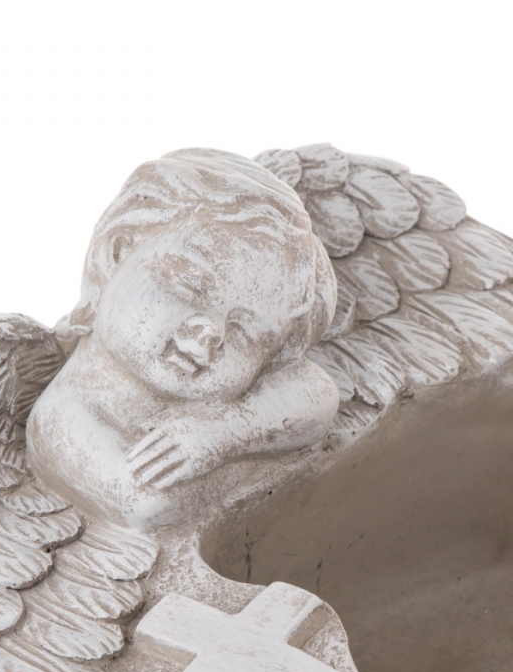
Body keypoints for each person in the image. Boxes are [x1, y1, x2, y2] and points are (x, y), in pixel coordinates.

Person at [27, 149, 340, 525]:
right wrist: (267, 442)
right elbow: (148, 502)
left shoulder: (224, 416)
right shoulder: (64, 419)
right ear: (118, 253)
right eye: (191, 286)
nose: (209, 336)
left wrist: (225, 433)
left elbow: (317, 390)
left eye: (245, 332)